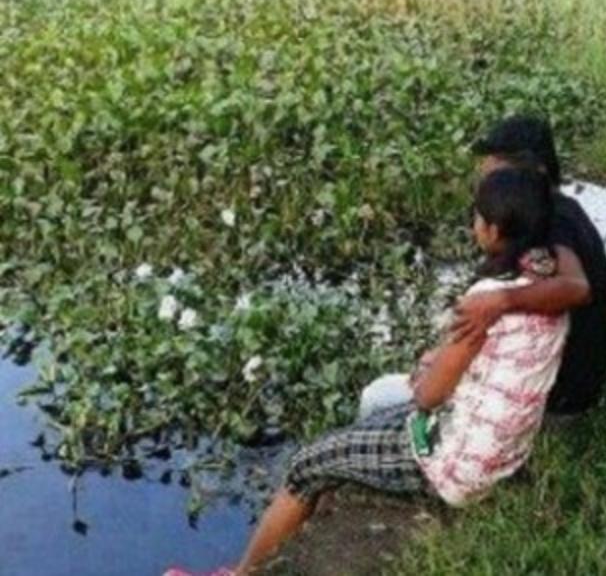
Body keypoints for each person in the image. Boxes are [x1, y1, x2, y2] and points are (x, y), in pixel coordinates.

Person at [166, 168, 568, 576]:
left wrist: (430, 367)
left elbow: (428, 398)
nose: (473, 225)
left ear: (495, 230)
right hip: (504, 452)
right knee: (364, 422)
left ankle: (243, 574)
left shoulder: (483, 301)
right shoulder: (548, 273)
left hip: (454, 466)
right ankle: (331, 494)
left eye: (477, 217)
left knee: (304, 464)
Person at [460, 115, 606, 415]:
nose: (486, 170)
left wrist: (499, 301)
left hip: (564, 393)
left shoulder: (554, 221)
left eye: (497, 162)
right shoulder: (553, 209)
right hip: (573, 380)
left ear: (536, 169)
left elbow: (577, 288)